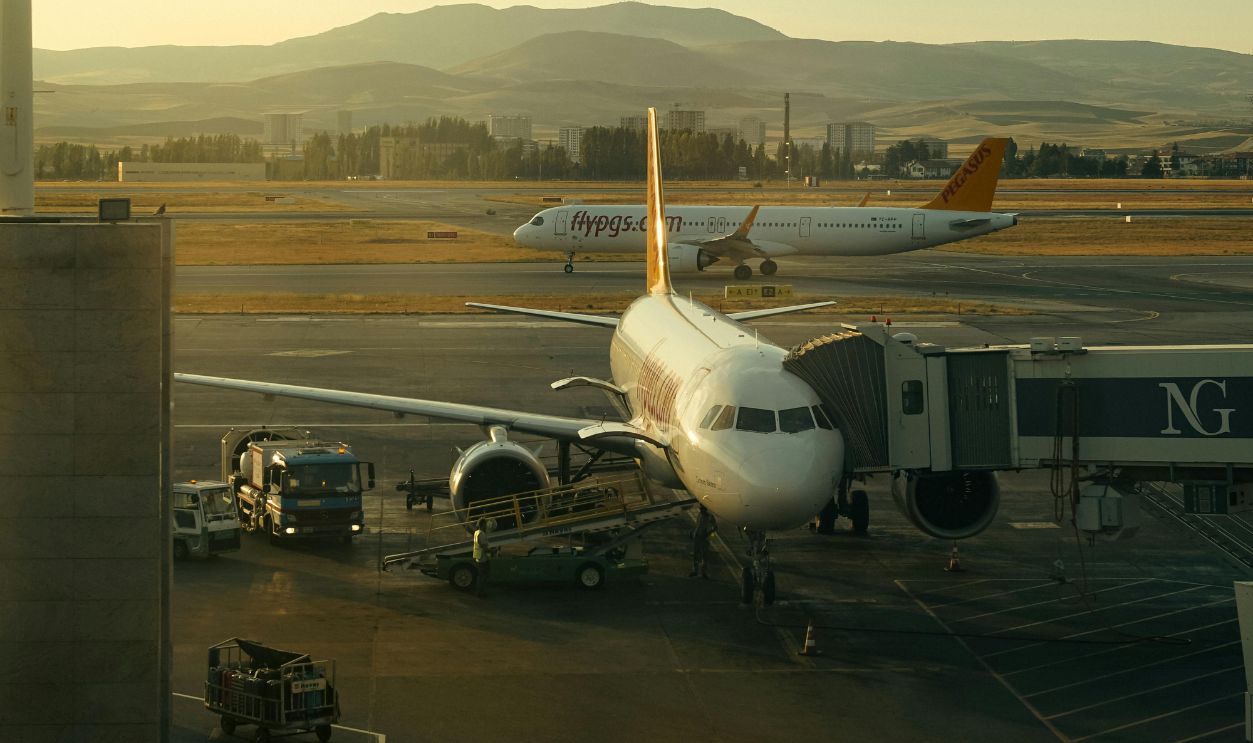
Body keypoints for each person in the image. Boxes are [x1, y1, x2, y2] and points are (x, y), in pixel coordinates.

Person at [690, 505, 717, 578]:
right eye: (700, 508)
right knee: (696, 555)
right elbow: (697, 525)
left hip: (704, 538)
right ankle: (695, 571)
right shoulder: (700, 514)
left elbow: (715, 527)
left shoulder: (710, 517)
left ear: (705, 509)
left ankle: (703, 572)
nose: (701, 510)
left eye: (702, 509)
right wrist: (693, 533)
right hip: (697, 536)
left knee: (704, 556)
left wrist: (708, 534)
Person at [472, 518, 491, 597]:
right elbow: (484, 548)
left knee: (480, 576)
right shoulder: (482, 534)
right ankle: (481, 592)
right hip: (483, 558)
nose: (486, 526)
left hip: (477, 557)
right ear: (483, 524)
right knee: (484, 576)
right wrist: (492, 551)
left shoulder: (476, 532)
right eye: (486, 524)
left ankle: (479, 591)